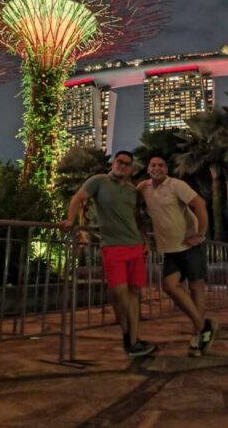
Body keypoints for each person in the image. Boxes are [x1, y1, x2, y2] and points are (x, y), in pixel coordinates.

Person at [61, 150, 157, 358]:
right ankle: (128, 337)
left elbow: (137, 218)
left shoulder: (132, 190)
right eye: (120, 162)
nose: (123, 166)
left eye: (127, 164)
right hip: (112, 247)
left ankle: (133, 341)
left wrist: (146, 240)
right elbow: (78, 198)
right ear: (113, 162)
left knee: (134, 296)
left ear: (131, 168)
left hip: (135, 246)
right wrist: (70, 220)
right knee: (120, 296)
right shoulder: (99, 181)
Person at [137, 154, 218, 357]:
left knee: (195, 287)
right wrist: (144, 238)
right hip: (169, 249)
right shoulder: (142, 188)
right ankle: (203, 325)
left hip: (190, 246)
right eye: (153, 164)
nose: (157, 168)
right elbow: (134, 211)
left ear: (167, 169)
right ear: (148, 168)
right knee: (169, 285)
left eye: (161, 165)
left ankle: (196, 336)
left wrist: (200, 233)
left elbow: (199, 204)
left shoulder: (177, 185)